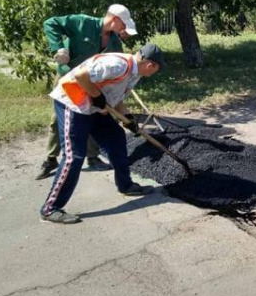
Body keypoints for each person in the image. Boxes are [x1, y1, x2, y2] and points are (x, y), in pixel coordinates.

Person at [39, 44, 166, 224]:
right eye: (157, 70)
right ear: (151, 65)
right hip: (73, 104)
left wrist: (128, 118)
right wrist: (96, 95)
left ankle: (125, 185)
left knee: (116, 139)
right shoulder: (118, 64)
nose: (155, 73)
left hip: (94, 108)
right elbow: (81, 75)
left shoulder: (134, 73)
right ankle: (50, 208)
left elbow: (116, 96)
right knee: (74, 156)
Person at [36, 4, 137, 180]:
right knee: (57, 120)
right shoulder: (82, 23)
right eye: (123, 25)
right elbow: (50, 23)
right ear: (114, 19)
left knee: (92, 114)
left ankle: (92, 157)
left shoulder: (114, 41)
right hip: (69, 78)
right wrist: (57, 48)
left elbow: (117, 64)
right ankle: (51, 158)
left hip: (93, 83)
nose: (123, 29)